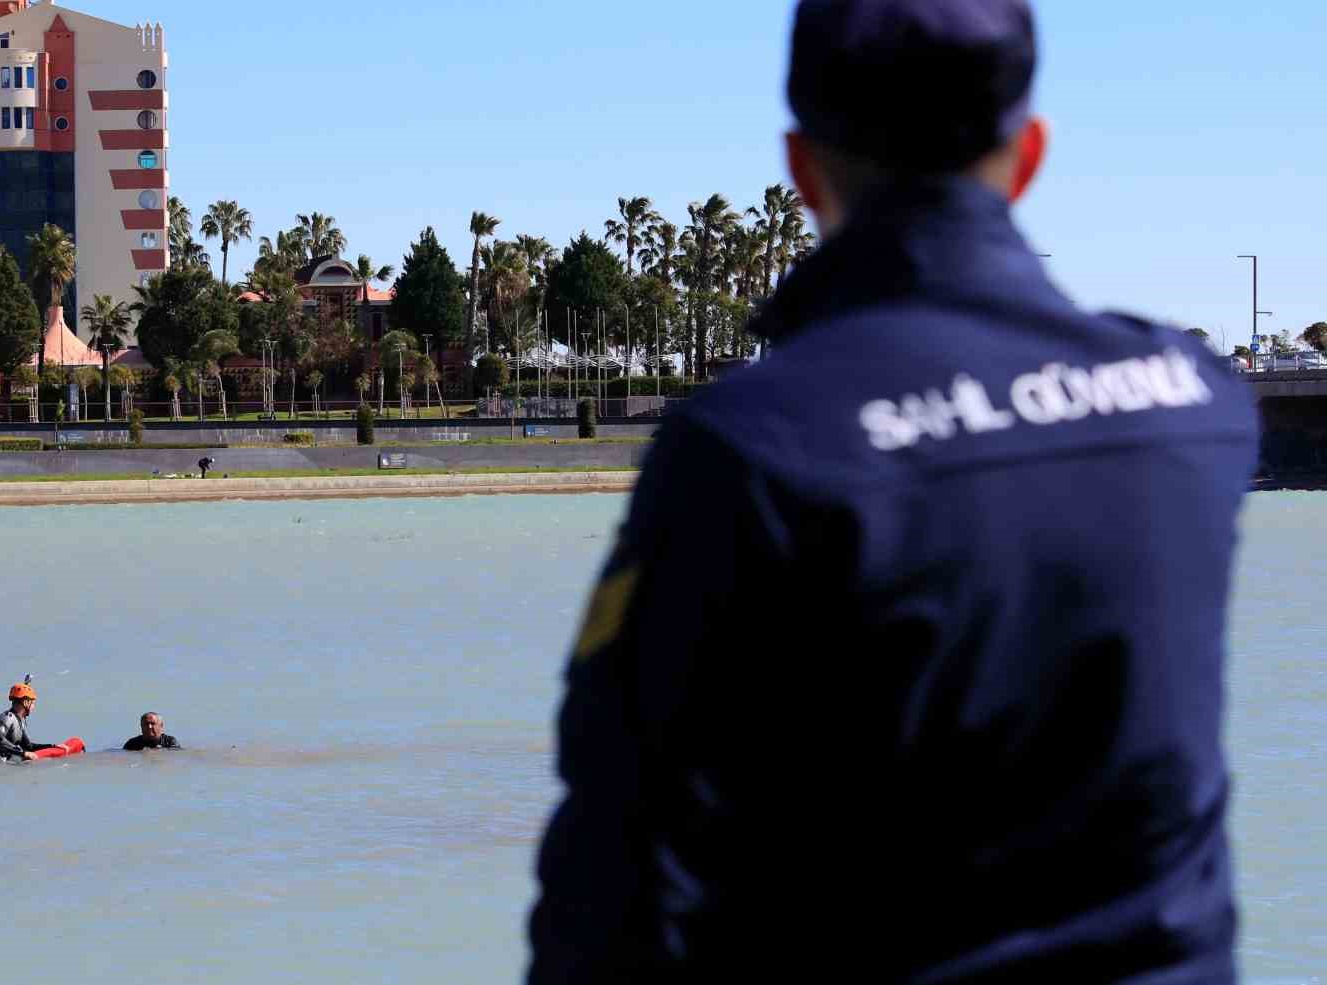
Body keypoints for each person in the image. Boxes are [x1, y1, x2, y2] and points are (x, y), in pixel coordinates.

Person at [527, 2, 1258, 981]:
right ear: (1029, 151)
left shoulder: (754, 447)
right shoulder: (1195, 408)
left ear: (803, 168)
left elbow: (621, 865)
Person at [0, 680, 62, 763]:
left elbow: (29, 747)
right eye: (32, 703)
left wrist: (52, 746)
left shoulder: (19, 723)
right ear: (26, 702)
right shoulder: (7, 718)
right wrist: (23, 753)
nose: (34, 706)